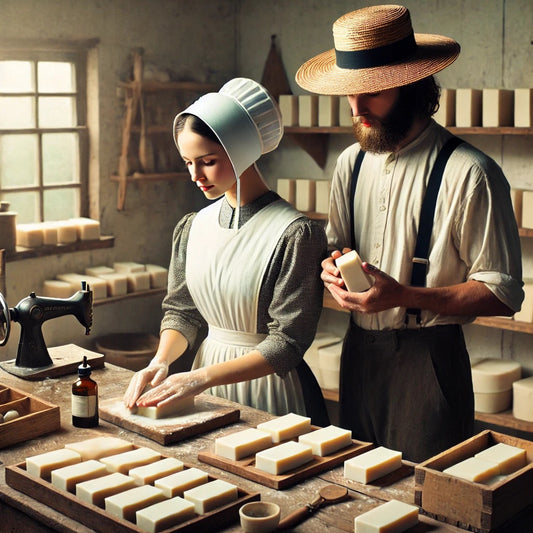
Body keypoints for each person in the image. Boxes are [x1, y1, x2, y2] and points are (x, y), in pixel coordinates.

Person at [295, 5, 523, 461]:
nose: (357, 109)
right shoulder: (349, 164)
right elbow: (341, 245)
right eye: (350, 95)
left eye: (372, 93)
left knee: (425, 502)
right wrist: (332, 270)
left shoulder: (470, 173)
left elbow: (502, 293)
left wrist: (403, 296)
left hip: (429, 360)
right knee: (359, 488)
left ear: (413, 85)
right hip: (358, 352)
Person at [124, 78, 329, 426]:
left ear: (241, 152)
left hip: (270, 388)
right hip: (202, 380)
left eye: (206, 161)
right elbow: (183, 313)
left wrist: (201, 378)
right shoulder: (192, 227)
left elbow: (288, 343)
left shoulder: (295, 234)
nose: (195, 176)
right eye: (188, 162)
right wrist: (160, 360)